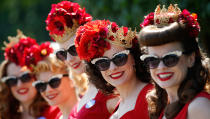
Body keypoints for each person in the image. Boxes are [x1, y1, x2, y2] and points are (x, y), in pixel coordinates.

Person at [45, 1, 119, 119]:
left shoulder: (112, 86)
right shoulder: (88, 88)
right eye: (62, 54)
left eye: (74, 49)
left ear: (89, 43)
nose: (69, 59)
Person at [138, 4, 210, 119]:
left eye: (170, 58)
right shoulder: (163, 105)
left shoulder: (199, 106)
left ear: (190, 59)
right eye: (152, 60)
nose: (161, 67)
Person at [75, 20, 153, 119]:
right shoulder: (120, 103)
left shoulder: (151, 98)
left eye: (119, 58)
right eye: (103, 63)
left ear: (134, 58)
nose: (113, 68)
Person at [0, 30, 59, 119]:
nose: (19, 84)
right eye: (12, 80)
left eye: (25, 77)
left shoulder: (57, 113)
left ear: (38, 77)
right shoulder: (5, 116)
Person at [21, 41, 77, 119]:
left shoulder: (86, 113)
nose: (48, 90)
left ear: (72, 78)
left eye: (54, 81)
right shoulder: (57, 117)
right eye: (41, 85)